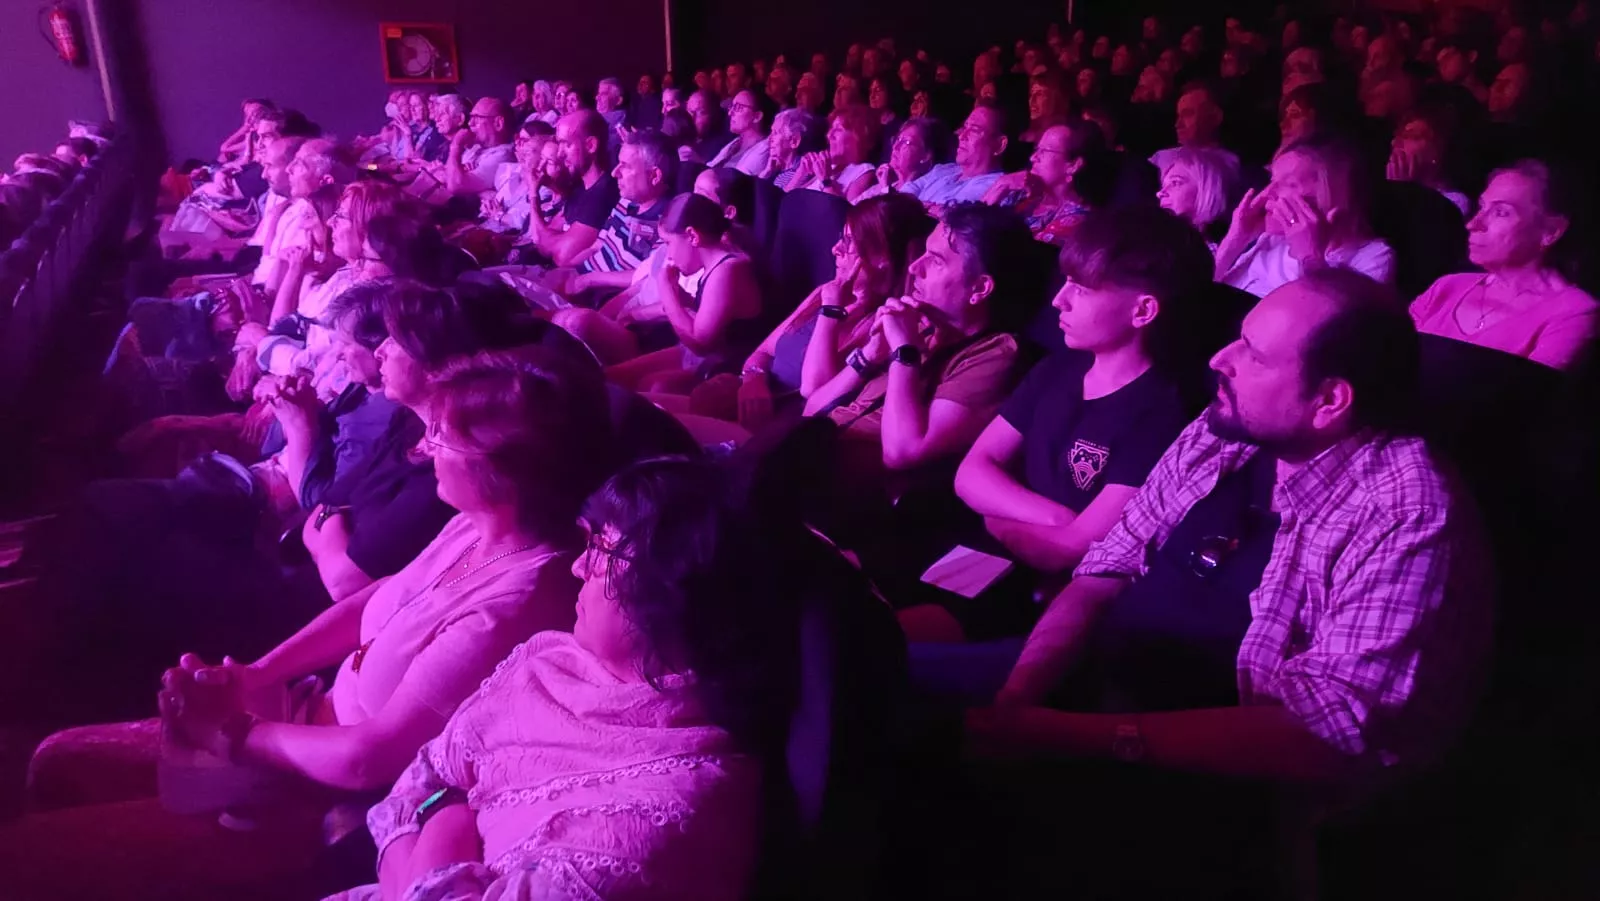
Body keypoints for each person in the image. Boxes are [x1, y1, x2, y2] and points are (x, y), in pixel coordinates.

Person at [331, 456, 796, 901]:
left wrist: (446, 810)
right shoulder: (555, 656)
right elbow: (417, 779)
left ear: (674, 586)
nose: (578, 566)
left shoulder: (654, 817)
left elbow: (425, 794)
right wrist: (447, 817)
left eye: (600, 549)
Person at [901, 207, 1212, 645]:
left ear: (1142, 310)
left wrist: (997, 518)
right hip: (977, 546)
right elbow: (973, 470)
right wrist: (1054, 517)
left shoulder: (1162, 417)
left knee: (887, 636)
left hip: (1027, 593)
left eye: (1081, 289)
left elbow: (1074, 549)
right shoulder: (1059, 369)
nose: (1058, 300)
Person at [804, 203, 1042, 479]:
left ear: (979, 288)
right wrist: (869, 355)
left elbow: (902, 452)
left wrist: (904, 354)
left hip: (846, 487)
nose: (915, 267)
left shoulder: (996, 354)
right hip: (812, 450)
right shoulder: (917, 323)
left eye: (936, 260)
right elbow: (812, 407)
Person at [1410, 160, 1598, 369]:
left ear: (1550, 232)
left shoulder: (1572, 312)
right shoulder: (1446, 287)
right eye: (1481, 207)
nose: (1473, 224)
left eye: (1501, 212)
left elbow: (1527, 397)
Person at [594, 192, 764, 393]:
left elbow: (700, 342)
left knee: (648, 386)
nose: (669, 254)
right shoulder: (716, 265)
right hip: (704, 355)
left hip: (725, 363)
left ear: (692, 236)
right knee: (609, 378)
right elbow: (707, 313)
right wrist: (679, 296)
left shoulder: (727, 269)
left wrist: (666, 288)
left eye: (668, 243)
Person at [1218, 133, 1395, 297]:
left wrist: (1310, 259)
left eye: (1290, 184)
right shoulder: (1273, 241)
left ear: (1335, 198)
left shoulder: (1372, 258)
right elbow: (1202, 293)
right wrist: (1235, 240)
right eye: (1272, 181)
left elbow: (1334, 325)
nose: (1267, 193)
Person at [522, 109, 619, 268]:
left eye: (566, 144)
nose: (559, 154)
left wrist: (533, 194)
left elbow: (561, 255)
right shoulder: (580, 189)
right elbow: (543, 236)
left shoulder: (604, 193)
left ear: (590, 145)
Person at [983, 120, 1101, 245]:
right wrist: (1001, 185)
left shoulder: (1077, 221)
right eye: (1037, 149)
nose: (1033, 158)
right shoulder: (1024, 196)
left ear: (1073, 165)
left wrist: (1001, 185)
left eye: (1044, 151)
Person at [891, 105, 1007, 209]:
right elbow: (905, 195)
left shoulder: (995, 185)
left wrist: (917, 206)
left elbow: (951, 216)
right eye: (965, 127)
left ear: (999, 145)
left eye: (974, 130)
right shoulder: (944, 169)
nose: (962, 136)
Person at [1386, 105, 1471, 216]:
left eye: (1412, 136)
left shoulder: (1454, 201)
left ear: (1438, 149)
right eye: (1398, 136)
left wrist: (1402, 191)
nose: (1396, 143)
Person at [1149, 81, 1241, 175]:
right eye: (1179, 116)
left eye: (1188, 114)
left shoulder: (1229, 166)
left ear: (1216, 116)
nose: (1178, 124)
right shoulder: (1161, 158)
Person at [786, 104, 878, 196]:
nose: (829, 135)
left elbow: (844, 210)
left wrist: (826, 181)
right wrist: (801, 172)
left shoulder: (864, 171)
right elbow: (786, 198)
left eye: (838, 130)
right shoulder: (831, 166)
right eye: (831, 129)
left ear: (858, 137)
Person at [1157, 146, 1239, 248]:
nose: (1160, 193)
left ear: (1206, 189)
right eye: (1163, 185)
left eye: (1175, 183)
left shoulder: (1218, 247)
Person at [856, 117, 947, 201]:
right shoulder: (881, 185)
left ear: (926, 156)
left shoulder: (922, 193)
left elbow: (890, 216)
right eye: (898, 139)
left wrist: (885, 189)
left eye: (906, 142)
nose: (896, 146)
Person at [443, 98, 515, 200]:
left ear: (498, 123)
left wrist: (456, 145)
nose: (470, 123)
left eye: (476, 118)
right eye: (471, 117)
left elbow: (454, 185)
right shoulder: (476, 147)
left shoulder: (502, 156)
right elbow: (444, 174)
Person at [706, 89, 772, 175]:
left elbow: (738, 179)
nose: (730, 113)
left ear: (757, 116)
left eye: (738, 107)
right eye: (732, 106)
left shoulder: (764, 147)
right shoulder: (735, 143)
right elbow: (712, 165)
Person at [760, 108, 820, 188]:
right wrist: (767, 171)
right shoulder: (777, 170)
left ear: (794, 141)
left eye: (776, 133)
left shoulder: (802, 173)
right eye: (771, 132)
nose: (770, 138)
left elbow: (782, 199)